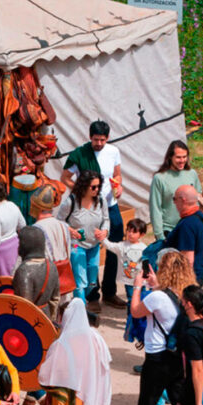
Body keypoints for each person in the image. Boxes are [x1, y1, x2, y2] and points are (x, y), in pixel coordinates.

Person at [61, 120, 127, 310]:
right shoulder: (80, 154)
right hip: (88, 208)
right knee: (88, 248)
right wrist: (82, 191)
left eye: (102, 140)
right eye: (96, 139)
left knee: (114, 246)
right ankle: (92, 296)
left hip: (109, 206)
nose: (99, 143)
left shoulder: (113, 151)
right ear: (90, 137)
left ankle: (110, 291)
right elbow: (65, 177)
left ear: (108, 138)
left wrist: (119, 186)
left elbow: (117, 175)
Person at [131, 251, 196, 405]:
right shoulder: (189, 294)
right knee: (179, 398)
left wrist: (137, 287)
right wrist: (156, 285)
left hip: (157, 355)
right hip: (178, 354)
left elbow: (135, 312)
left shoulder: (157, 297)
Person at [37, 298, 112, 405]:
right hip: (90, 392)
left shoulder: (61, 344)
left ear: (64, 317)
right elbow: (104, 367)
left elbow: (47, 374)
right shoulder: (97, 338)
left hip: (68, 398)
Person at [57, 170, 109, 310]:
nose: (97, 190)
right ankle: (81, 311)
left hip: (94, 245)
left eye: (99, 186)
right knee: (80, 280)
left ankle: (79, 302)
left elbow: (106, 219)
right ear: (84, 186)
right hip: (76, 246)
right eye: (93, 187)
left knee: (92, 281)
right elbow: (60, 220)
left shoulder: (101, 200)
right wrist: (71, 231)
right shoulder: (71, 201)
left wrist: (104, 231)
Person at [98, 218, 148, 344]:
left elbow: (148, 263)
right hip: (129, 282)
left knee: (142, 300)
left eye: (134, 232)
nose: (130, 234)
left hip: (141, 281)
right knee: (131, 301)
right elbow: (110, 246)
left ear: (142, 234)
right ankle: (131, 322)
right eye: (129, 230)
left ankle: (139, 320)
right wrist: (102, 238)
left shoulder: (144, 248)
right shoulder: (122, 246)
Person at [150, 140, 203, 240]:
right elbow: (155, 208)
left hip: (190, 228)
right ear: (170, 157)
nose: (182, 160)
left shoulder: (192, 174)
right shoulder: (159, 178)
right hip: (170, 231)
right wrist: (159, 235)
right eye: (178, 157)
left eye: (184, 157)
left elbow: (198, 198)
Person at [13, 226, 60, 320]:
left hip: (32, 322)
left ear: (25, 246)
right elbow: (55, 299)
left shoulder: (24, 271)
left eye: (19, 243)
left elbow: (26, 306)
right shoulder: (52, 266)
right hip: (46, 317)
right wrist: (51, 320)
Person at [166, 185, 203, 286]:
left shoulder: (187, 225)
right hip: (198, 274)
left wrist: (181, 284)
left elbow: (188, 260)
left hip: (188, 280)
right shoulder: (200, 216)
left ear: (183, 200)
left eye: (175, 199)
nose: (174, 203)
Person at [177, 285, 203, 405]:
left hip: (195, 395)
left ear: (189, 304)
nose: (181, 304)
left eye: (183, 301)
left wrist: (199, 403)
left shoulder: (192, 334)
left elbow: (198, 369)